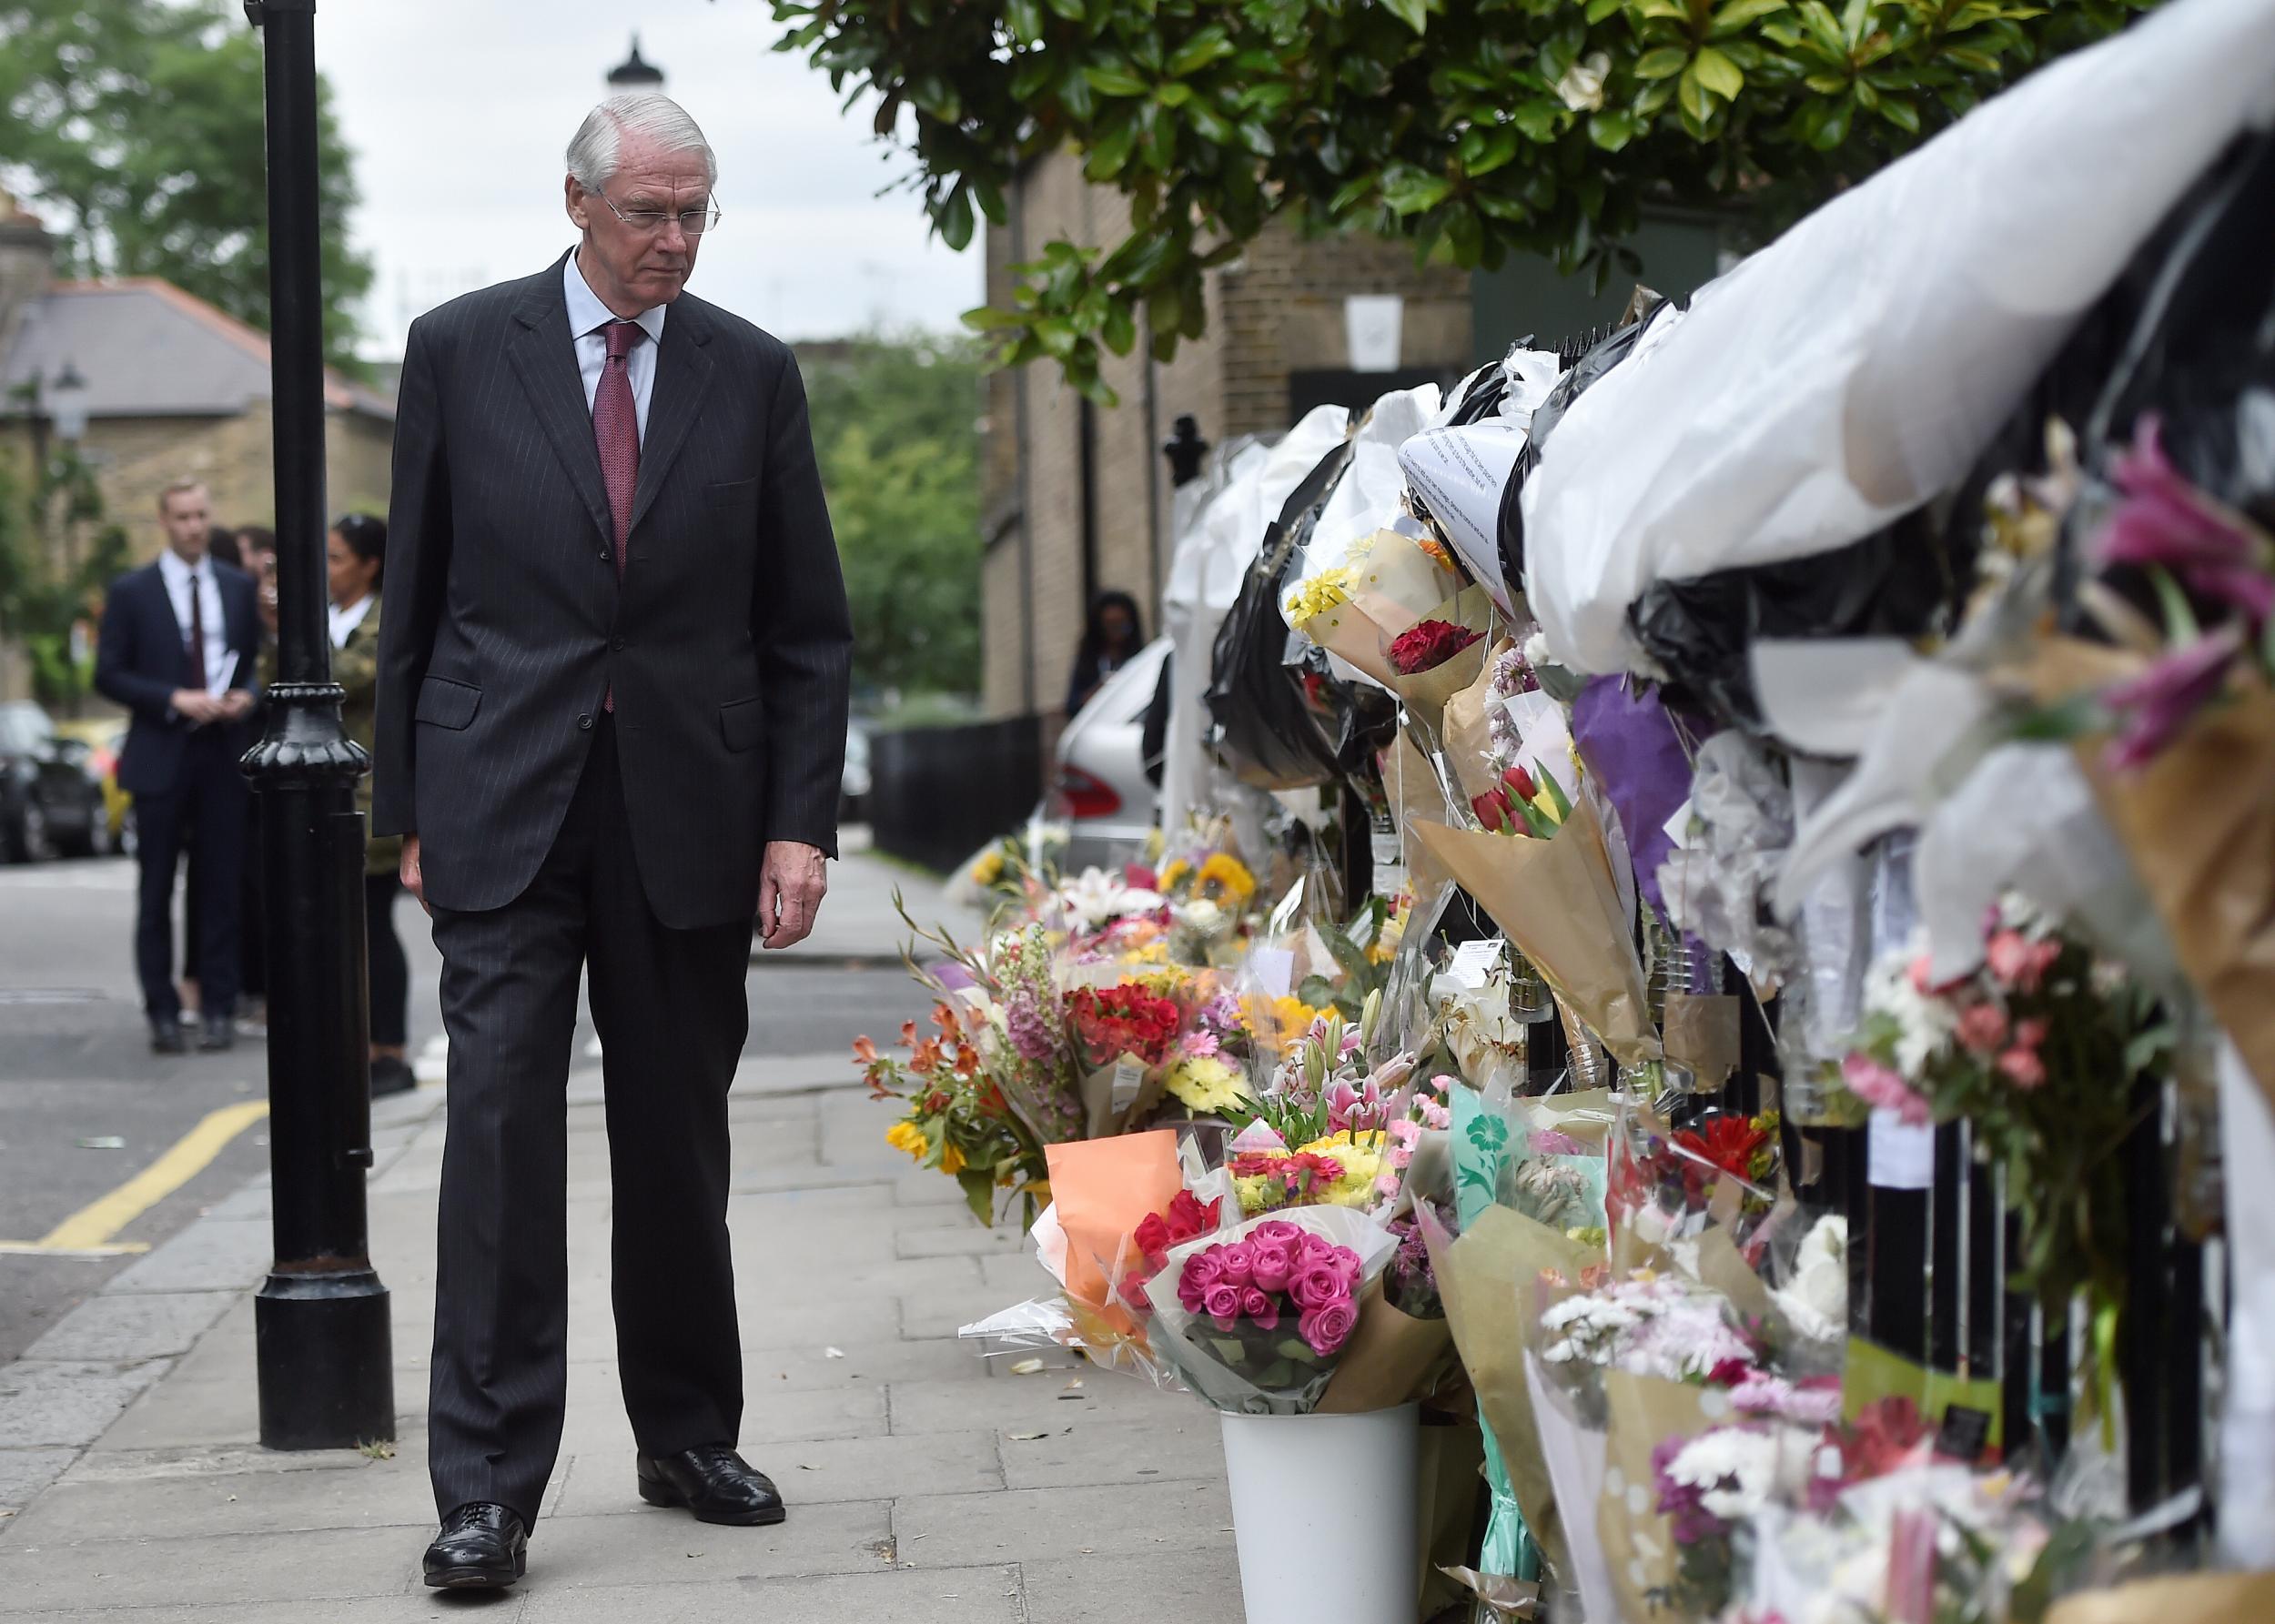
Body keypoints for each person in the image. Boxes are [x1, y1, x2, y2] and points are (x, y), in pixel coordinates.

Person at [375, 94, 852, 1590]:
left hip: (691, 812)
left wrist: (798, 820)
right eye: (650, 213)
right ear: (578, 204)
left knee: (673, 1135)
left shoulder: (753, 374)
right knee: (499, 1134)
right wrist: (401, 812)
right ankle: (487, 1493)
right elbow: (414, 601)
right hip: (500, 807)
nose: (675, 241)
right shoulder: (462, 349)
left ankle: (686, 1432)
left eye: (696, 211)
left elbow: (806, 627)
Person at [93, 480, 260, 1054]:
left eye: (202, 515)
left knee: (220, 889)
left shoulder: (239, 588)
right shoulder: (132, 591)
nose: (194, 525)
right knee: (156, 889)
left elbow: (257, 664)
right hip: (159, 754)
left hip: (221, 753)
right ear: (163, 521)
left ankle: (218, 1006)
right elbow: (108, 673)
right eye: (183, 516)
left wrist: (248, 697)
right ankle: (162, 1010)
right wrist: (172, 698)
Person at [1066, 588, 1144, 714]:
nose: (1116, 632)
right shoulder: (1088, 661)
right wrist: (1101, 689)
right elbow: (1071, 707)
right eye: (1111, 625)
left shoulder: (1141, 660)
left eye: (1122, 625)